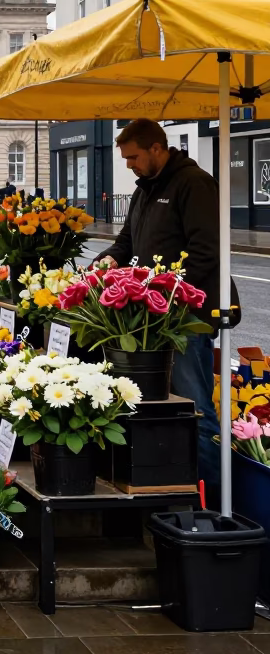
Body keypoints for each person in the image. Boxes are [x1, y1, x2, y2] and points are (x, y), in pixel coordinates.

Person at [95, 118, 240, 496]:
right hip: (153, 316)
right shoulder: (146, 188)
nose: (129, 165)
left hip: (187, 317)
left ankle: (217, 496)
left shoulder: (193, 184)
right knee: (162, 406)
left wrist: (164, 290)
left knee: (193, 407)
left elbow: (207, 252)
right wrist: (108, 260)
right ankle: (176, 487)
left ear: (157, 148)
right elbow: (128, 240)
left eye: (134, 157)